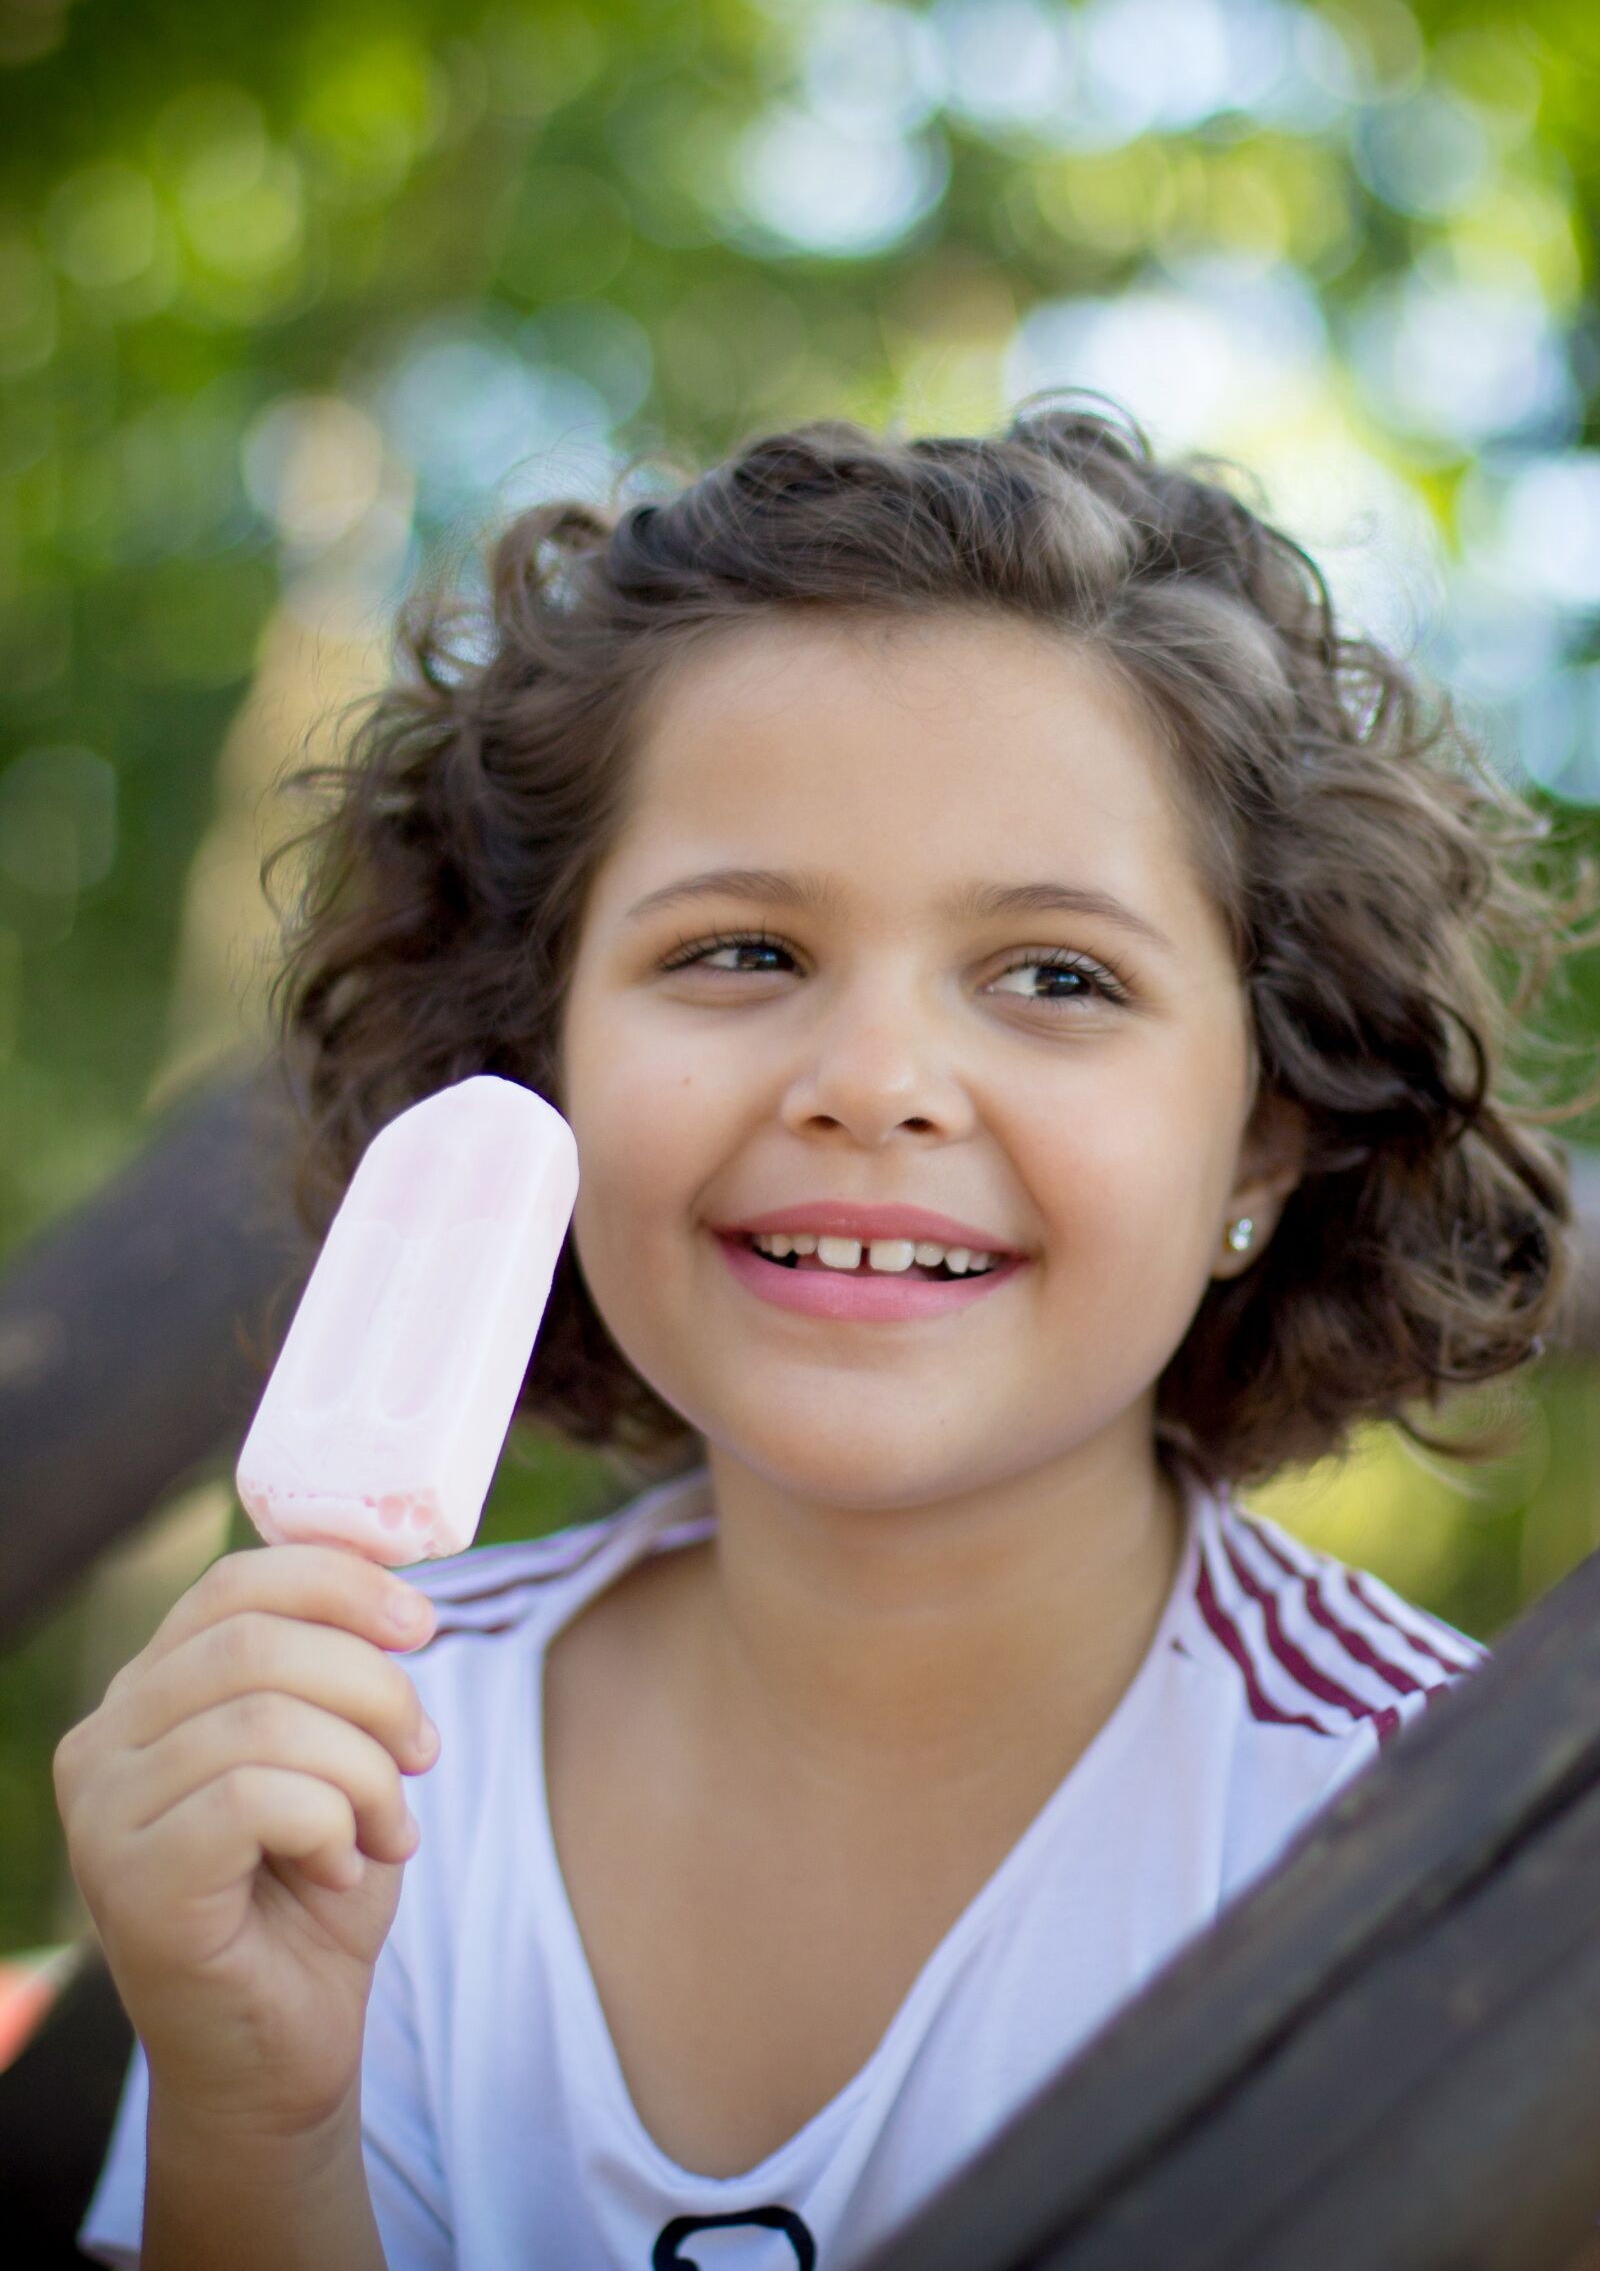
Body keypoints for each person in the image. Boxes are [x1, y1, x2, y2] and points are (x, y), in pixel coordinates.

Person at [60, 402, 1594, 2270]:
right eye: (741, 952)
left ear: (1264, 1135)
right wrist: (256, 2111)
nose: (873, 1085)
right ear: (536, 1065)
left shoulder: (1431, 1846)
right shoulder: (364, 1755)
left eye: (1057, 976)